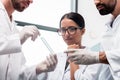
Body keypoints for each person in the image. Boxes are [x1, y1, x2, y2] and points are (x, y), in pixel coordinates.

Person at [39, 12, 113, 80]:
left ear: (82, 31)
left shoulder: (93, 57)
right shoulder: (56, 58)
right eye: (63, 30)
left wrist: (73, 54)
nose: (67, 34)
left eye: (71, 29)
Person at [0, 0, 58, 80]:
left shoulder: (13, 28)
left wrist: (37, 69)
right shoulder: (17, 35)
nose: (31, 1)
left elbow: (16, 73)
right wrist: (18, 38)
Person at [65, 0, 120, 80]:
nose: (96, 2)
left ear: (83, 31)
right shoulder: (106, 33)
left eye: (72, 29)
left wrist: (97, 57)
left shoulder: (93, 52)